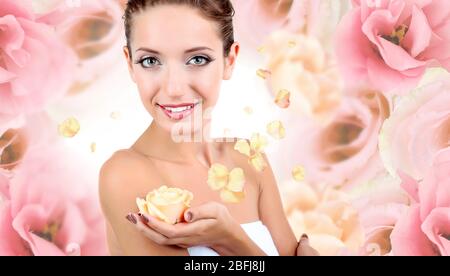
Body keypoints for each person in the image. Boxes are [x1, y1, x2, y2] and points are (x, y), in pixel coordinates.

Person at [99, 0, 319, 256]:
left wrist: (231, 238)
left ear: (230, 60)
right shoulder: (124, 175)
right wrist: (230, 240)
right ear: (130, 64)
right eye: (150, 61)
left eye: (197, 59)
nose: (174, 88)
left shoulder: (249, 160)